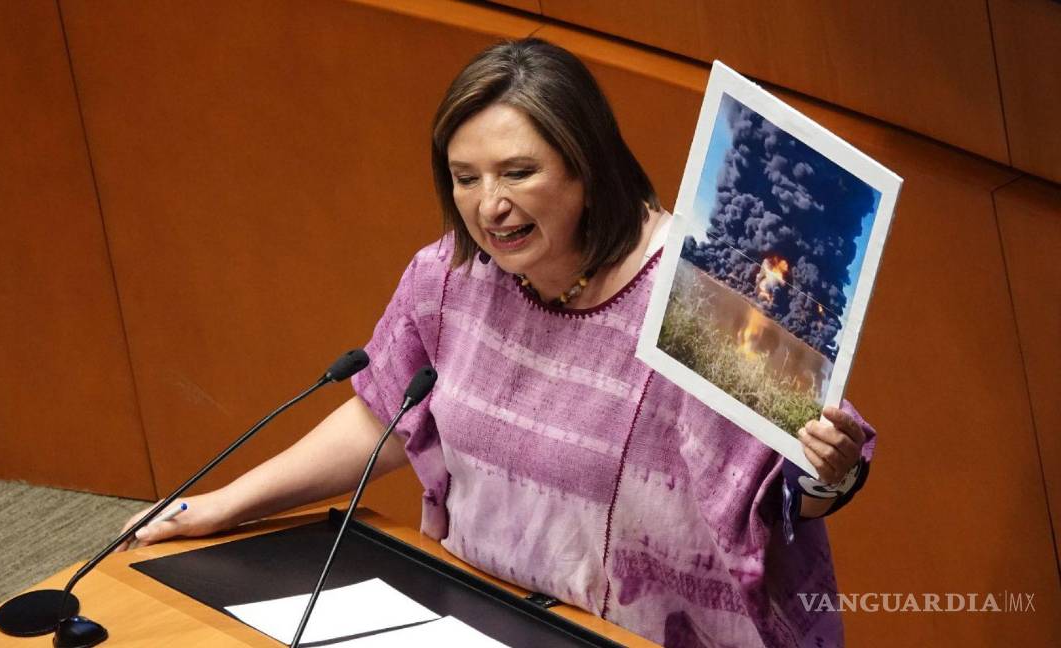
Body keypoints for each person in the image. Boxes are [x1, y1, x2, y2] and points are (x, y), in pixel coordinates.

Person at [120, 38, 873, 647]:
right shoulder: (449, 278)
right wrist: (217, 508)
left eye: (518, 172)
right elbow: (384, 416)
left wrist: (824, 473)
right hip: (485, 617)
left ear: (586, 169)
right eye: (466, 178)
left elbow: (780, 494)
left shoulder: (697, 299)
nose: (490, 206)